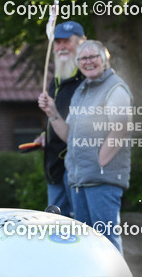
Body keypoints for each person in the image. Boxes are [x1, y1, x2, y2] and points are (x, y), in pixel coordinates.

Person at [39, 39, 131, 252]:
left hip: (102, 180)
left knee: (107, 241)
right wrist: (52, 113)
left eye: (93, 57)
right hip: (78, 180)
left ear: (104, 59)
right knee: (86, 244)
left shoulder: (115, 87)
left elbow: (122, 127)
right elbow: (69, 136)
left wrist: (100, 161)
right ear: (78, 63)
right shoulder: (81, 91)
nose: (88, 62)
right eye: (83, 58)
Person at [31, 21, 86, 216]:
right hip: (54, 168)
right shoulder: (57, 79)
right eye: (57, 42)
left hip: (77, 170)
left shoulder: (87, 80)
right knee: (55, 228)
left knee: (80, 228)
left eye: (67, 41)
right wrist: (46, 135)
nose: (61, 46)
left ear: (82, 42)